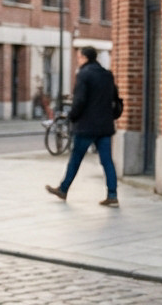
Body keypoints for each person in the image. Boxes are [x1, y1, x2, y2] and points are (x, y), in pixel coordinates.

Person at [47, 46, 122, 206]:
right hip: (104, 126)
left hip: (87, 126)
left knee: (75, 159)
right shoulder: (107, 75)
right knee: (107, 161)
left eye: (79, 57)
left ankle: (63, 189)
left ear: (85, 58)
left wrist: (72, 116)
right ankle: (112, 194)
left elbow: (79, 100)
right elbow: (115, 98)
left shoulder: (84, 74)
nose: (78, 60)